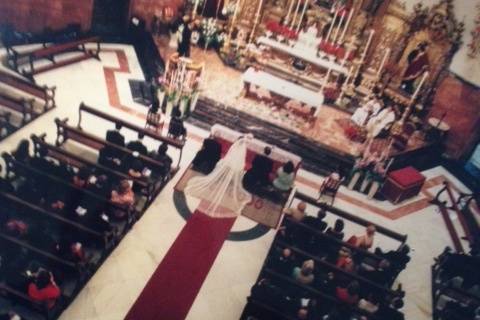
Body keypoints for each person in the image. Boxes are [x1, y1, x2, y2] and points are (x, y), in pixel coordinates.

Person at [184, 135, 252, 217]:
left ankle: (220, 178)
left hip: (228, 164)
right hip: (235, 167)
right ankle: (229, 181)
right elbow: (240, 163)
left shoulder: (234, 147)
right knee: (237, 171)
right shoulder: (243, 150)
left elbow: (228, 156)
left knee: (220, 164)